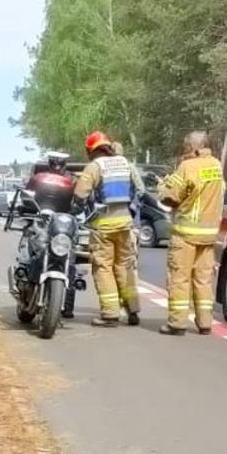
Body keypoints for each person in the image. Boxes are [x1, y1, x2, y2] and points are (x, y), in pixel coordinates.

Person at [157, 131, 226, 335]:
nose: (184, 150)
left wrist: (163, 187)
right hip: (209, 234)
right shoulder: (216, 165)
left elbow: (171, 197)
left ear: (193, 147)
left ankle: (177, 323)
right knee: (203, 280)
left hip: (186, 233)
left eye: (186, 147)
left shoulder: (187, 167)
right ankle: (205, 323)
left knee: (180, 279)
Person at [73, 131, 143, 326]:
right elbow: (141, 190)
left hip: (103, 226)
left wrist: (74, 209)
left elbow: (80, 194)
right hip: (125, 224)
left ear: (91, 150)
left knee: (103, 268)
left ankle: (110, 314)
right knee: (124, 267)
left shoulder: (95, 166)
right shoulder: (126, 164)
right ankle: (133, 310)